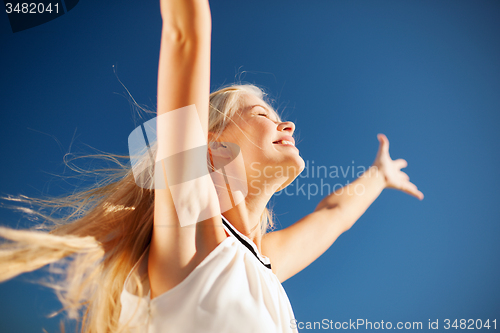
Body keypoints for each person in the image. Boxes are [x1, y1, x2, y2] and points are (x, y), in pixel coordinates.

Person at [0, 1, 424, 332]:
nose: (286, 123)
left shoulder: (264, 262)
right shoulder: (191, 231)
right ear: (210, 146)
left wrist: (379, 175)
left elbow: (334, 215)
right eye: (262, 115)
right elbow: (185, 35)